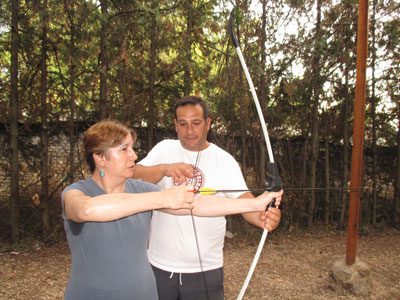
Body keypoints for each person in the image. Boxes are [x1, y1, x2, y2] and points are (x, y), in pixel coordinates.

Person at [62, 119, 282, 300]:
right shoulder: (76, 193)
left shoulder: (143, 189)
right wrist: (162, 198)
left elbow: (196, 204)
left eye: (132, 148)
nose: (134, 156)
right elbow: (86, 211)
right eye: (124, 149)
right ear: (100, 157)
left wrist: (255, 204)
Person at [133, 96, 283, 300]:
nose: (189, 131)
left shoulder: (224, 160)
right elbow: (133, 174)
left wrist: (262, 216)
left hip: (206, 271)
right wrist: (165, 168)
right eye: (183, 124)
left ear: (208, 124)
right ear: (175, 125)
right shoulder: (164, 149)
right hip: (159, 266)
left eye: (196, 123)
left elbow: (243, 200)